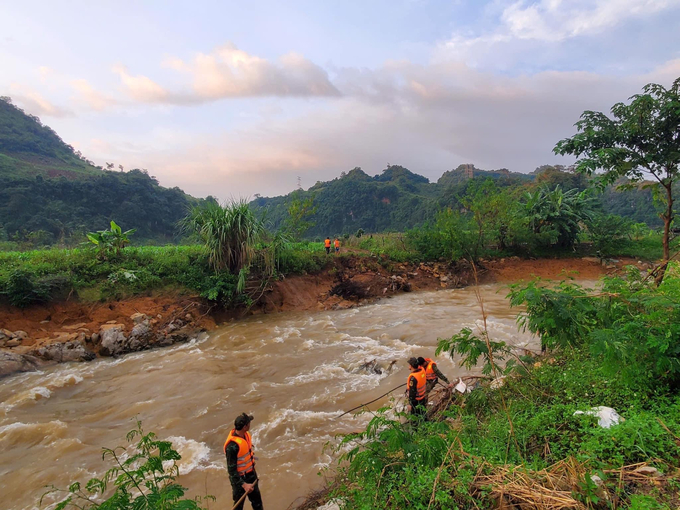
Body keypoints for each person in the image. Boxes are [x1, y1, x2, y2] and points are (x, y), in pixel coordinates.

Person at [224, 413, 264, 510]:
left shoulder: (245, 435)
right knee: (238, 506)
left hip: (251, 474)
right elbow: (232, 471)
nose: (250, 424)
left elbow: (245, 450)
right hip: (239, 480)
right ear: (245, 426)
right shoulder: (232, 447)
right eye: (249, 423)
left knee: (257, 504)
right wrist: (244, 485)